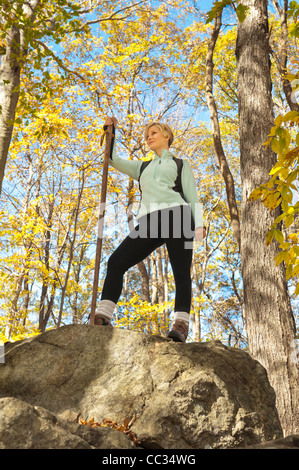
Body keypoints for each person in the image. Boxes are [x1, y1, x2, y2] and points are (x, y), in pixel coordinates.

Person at [95, 117, 206, 342]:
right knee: (116, 262)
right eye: (147, 135)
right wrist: (110, 132)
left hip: (179, 216)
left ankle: (181, 325)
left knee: (181, 273)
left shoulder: (180, 164)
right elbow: (111, 157)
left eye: (154, 133)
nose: (149, 137)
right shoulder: (142, 166)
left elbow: (192, 195)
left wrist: (199, 224)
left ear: (167, 136)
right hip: (150, 221)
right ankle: (103, 315)